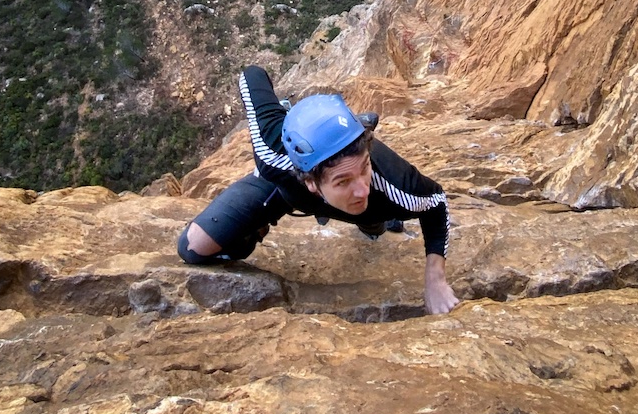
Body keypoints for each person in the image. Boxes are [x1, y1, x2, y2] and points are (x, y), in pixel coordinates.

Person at [177, 65, 460, 315]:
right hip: (284, 192)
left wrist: (435, 279)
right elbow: (251, 75)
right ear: (311, 182)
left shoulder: (393, 184)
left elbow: (436, 203)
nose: (362, 188)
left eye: (363, 168)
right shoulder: (273, 153)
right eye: (344, 181)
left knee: (373, 222)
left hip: (364, 208)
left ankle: (351, 142)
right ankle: (264, 218)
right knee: (192, 249)